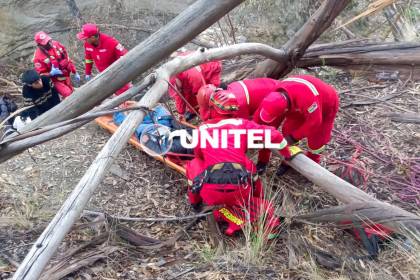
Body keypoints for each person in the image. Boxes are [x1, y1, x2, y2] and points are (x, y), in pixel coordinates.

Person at [186, 90, 300, 237]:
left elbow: (198, 155)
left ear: (213, 108)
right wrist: (286, 153)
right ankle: (258, 202)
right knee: (248, 164)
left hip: (211, 194)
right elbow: (275, 135)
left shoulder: (203, 129)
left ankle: (197, 203)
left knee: (194, 164)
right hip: (241, 192)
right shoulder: (243, 125)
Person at [254, 75, 339, 175]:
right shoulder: (273, 95)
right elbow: (264, 122)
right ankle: (288, 162)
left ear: (285, 110)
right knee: (288, 130)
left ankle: (311, 165)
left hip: (326, 105)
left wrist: (293, 138)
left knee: (316, 141)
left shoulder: (306, 98)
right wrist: (257, 132)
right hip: (297, 106)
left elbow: (315, 122)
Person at [77, 23, 132, 95]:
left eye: (85, 38)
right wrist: (88, 72)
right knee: (115, 95)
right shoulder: (87, 44)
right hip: (104, 76)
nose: (84, 40)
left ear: (93, 37)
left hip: (118, 74)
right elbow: (88, 59)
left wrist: (123, 71)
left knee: (125, 95)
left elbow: (125, 55)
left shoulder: (110, 42)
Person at [168, 50, 222, 121]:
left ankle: (214, 113)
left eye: (178, 87)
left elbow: (203, 94)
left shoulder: (193, 75)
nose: (178, 88)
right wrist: (181, 113)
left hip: (209, 68)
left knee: (208, 94)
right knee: (188, 95)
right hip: (189, 75)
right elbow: (179, 95)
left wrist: (204, 119)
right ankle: (195, 111)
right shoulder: (174, 79)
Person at [198, 78, 283, 120]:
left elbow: (243, 125)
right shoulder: (229, 90)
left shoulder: (236, 103)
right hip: (272, 84)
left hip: (275, 95)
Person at [33, 31, 79, 98]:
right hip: (55, 80)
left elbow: (67, 58)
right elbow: (40, 75)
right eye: (45, 43)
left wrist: (74, 71)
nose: (49, 43)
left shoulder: (56, 44)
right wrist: (51, 74)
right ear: (40, 45)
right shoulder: (38, 57)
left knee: (71, 90)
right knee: (68, 94)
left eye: (48, 40)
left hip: (66, 75)